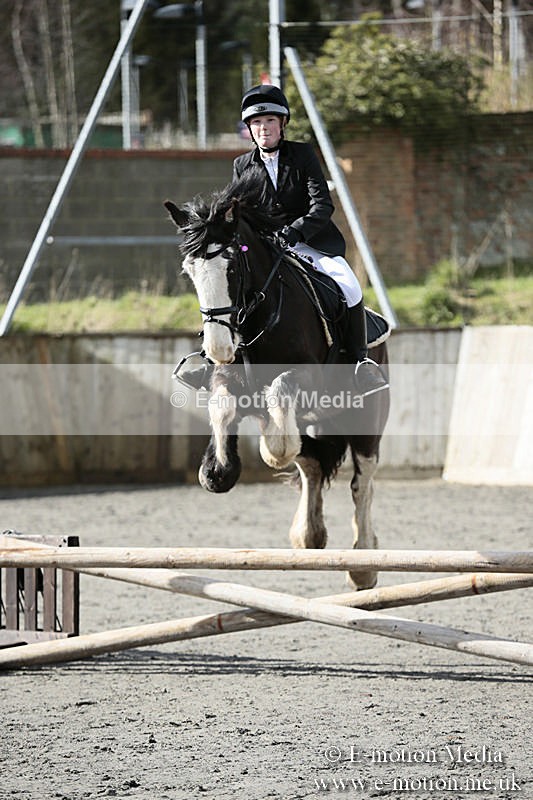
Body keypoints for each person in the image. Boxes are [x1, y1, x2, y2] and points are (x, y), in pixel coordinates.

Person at [234, 84, 387, 401]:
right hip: (263, 249)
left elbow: (322, 206)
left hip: (308, 244)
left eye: (270, 122)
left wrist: (295, 231)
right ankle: (217, 360)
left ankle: (359, 362)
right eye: (257, 124)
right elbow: (240, 212)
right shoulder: (241, 165)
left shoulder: (303, 155)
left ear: (282, 124)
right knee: (226, 284)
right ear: (250, 129)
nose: (264, 129)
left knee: (349, 285)